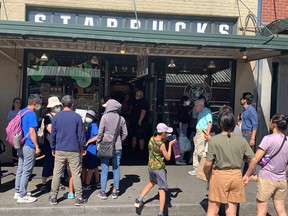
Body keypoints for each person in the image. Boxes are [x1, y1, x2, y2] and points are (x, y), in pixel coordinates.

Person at [204, 112, 254, 216]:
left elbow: (208, 164)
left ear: (220, 124)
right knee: (231, 211)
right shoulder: (242, 140)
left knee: (213, 209)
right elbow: (253, 160)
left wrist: (207, 174)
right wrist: (247, 175)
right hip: (236, 175)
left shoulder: (214, 140)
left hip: (219, 175)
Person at [243, 114, 288, 216]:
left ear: (274, 124)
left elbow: (255, 159)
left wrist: (247, 175)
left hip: (267, 178)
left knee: (261, 211)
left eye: (271, 120)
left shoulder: (268, 139)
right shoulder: (287, 140)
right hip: (281, 179)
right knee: (281, 210)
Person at [49, 95, 87, 206]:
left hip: (60, 148)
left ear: (61, 104)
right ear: (73, 104)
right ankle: (79, 197)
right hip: (74, 149)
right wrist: (83, 147)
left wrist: (53, 147)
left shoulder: (56, 117)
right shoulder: (77, 117)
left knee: (56, 173)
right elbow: (81, 135)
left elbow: (53, 135)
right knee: (75, 173)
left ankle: (53, 197)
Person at [134, 123, 176, 216]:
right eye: (167, 133)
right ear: (164, 132)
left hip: (151, 167)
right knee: (162, 189)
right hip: (159, 168)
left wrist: (164, 138)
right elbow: (168, 157)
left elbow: (157, 142)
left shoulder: (151, 139)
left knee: (152, 182)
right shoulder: (162, 145)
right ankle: (161, 212)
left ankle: (139, 199)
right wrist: (170, 145)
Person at [96, 99, 128, 200]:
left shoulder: (104, 117)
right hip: (117, 146)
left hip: (105, 146)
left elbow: (100, 132)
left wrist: (98, 143)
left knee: (105, 168)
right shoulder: (121, 118)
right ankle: (115, 191)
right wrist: (119, 140)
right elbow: (125, 133)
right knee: (116, 168)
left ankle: (103, 192)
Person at [14, 94, 42, 203]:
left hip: (20, 143)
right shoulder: (31, 114)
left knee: (20, 168)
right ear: (35, 104)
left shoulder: (21, 112)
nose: (39, 106)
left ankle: (18, 191)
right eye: (39, 104)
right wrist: (37, 146)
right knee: (27, 170)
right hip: (29, 145)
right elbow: (32, 131)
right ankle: (22, 195)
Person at [40, 96, 62, 192]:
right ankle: (44, 183)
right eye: (57, 105)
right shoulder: (48, 117)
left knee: (58, 164)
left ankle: (57, 182)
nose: (58, 107)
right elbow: (50, 130)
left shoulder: (60, 115)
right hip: (49, 144)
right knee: (48, 163)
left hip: (58, 143)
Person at [188, 99, 212, 176]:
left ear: (200, 106)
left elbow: (209, 123)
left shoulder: (207, 112)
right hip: (198, 132)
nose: (195, 108)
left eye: (196, 106)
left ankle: (206, 168)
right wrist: (196, 134)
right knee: (196, 151)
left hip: (203, 133)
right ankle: (196, 169)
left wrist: (207, 134)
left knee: (201, 151)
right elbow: (200, 124)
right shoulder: (200, 112)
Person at [240, 92, 258, 179]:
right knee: (246, 154)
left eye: (242, 98)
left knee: (247, 154)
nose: (241, 100)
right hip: (243, 132)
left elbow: (255, 124)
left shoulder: (251, 110)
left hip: (248, 133)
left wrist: (252, 138)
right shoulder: (245, 110)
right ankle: (251, 172)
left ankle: (252, 173)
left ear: (246, 100)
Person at [82, 110, 100, 190]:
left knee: (89, 168)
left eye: (88, 116)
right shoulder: (90, 125)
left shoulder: (93, 126)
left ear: (92, 117)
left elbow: (97, 136)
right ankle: (97, 182)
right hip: (91, 149)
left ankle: (87, 184)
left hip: (91, 150)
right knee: (95, 166)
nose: (87, 117)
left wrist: (89, 141)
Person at [130, 90, 148, 155]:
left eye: (138, 95)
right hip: (134, 122)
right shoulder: (135, 102)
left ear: (141, 95)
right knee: (134, 135)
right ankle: (133, 148)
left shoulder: (143, 102)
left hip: (141, 123)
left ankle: (141, 151)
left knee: (141, 137)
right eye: (136, 95)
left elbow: (143, 112)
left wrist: (140, 121)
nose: (136, 96)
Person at [7, 97, 22, 165]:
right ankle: (15, 161)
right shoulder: (11, 112)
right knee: (14, 146)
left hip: (20, 130)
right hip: (13, 131)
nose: (18, 104)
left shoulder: (22, 111)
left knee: (20, 145)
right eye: (16, 102)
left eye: (19, 102)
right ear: (13, 103)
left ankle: (20, 160)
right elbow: (9, 122)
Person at [176, 95, 190, 165]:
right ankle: (179, 160)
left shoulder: (184, 108)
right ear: (184, 101)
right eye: (188, 100)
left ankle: (180, 159)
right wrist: (181, 130)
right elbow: (180, 120)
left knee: (181, 143)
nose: (189, 102)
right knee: (182, 143)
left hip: (183, 127)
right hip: (182, 127)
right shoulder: (182, 109)